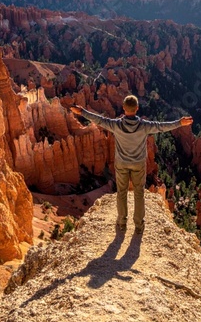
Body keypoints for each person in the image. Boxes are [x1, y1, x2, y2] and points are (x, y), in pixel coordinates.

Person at [71, 95, 193, 234]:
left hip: (122, 163)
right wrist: (179, 122)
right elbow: (161, 126)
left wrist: (82, 112)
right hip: (138, 164)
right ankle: (139, 226)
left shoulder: (116, 125)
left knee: (121, 193)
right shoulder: (144, 126)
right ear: (137, 108)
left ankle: (122, 223)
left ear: (123, 108)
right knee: (139, 193)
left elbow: (99, 120)